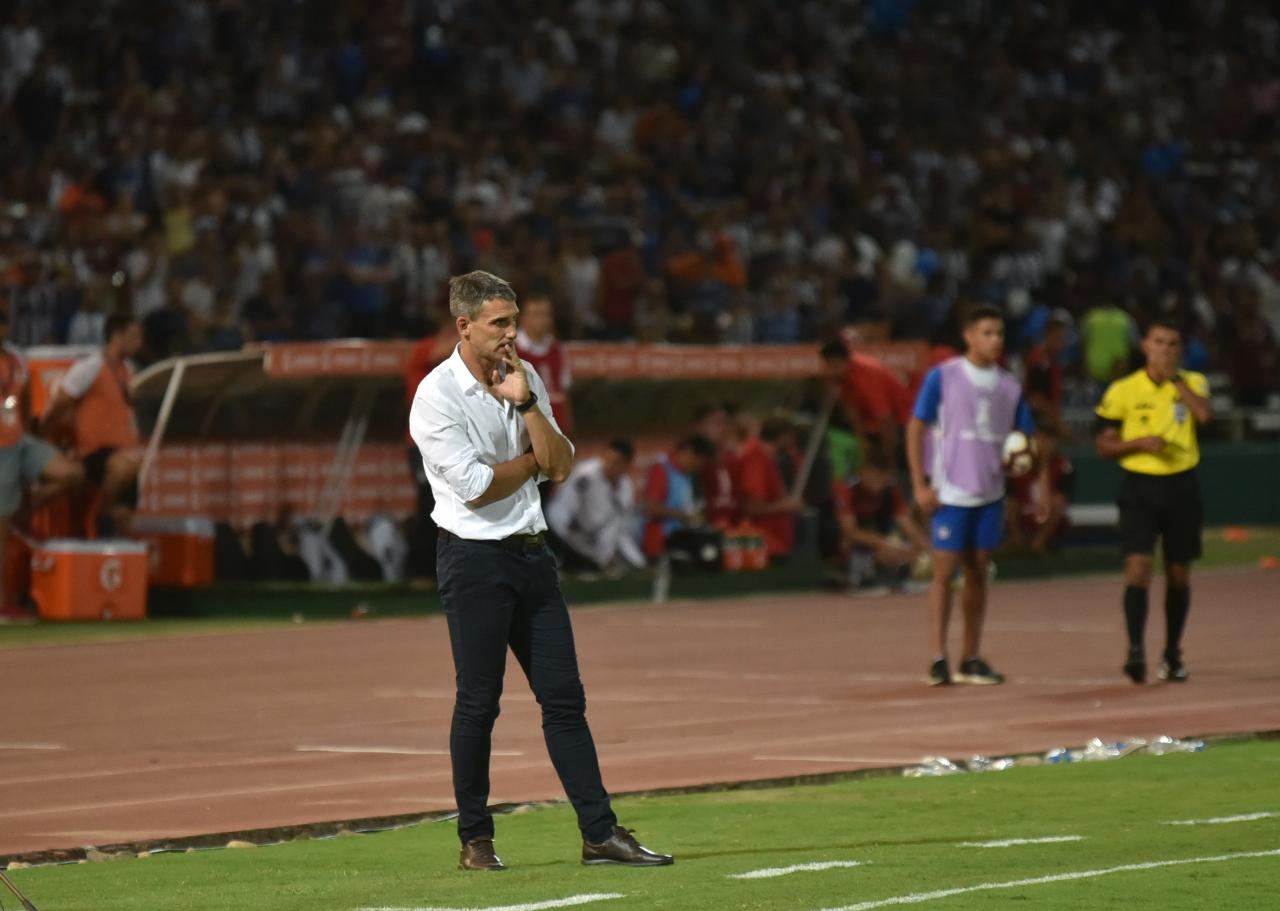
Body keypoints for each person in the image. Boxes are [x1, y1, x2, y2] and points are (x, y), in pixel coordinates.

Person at [408, 270, 672, 871]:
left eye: (514, 321)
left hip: (533, 554)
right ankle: (475, 841)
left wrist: (526, 403)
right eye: (500, 323)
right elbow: (477, 488)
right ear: (464, 326)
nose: (512, 334)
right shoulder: (436, 396)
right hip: (474, 560)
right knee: (479, 703)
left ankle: (599, 835)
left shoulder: (526, 380)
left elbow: (561, 465)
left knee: (565, 700)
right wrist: (533, 456)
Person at [907, 305, 1047, 687]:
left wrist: (1034, 476)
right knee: (943, 571)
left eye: (999, 334)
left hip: (990, 491)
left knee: (977, 571)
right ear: (968, 335)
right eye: (987, 333)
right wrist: (920, 483)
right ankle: (938, 656)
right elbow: (916, 426)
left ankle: (970, 656)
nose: (995, 340)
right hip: (950, 490)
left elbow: (1029, 439)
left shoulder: (1009, 386)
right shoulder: (944, 376)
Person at [1094, 318, 1212, 684]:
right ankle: (1135, 651)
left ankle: (1172, 653)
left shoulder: (1192, 383)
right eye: (1160, 342)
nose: (1167, 350)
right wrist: (1139, 443)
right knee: (1138, 569)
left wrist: (1176, 380)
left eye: (1174, 344)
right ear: (1145, 345)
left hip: (1181, 486)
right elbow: (1103, 445)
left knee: (1178, 573)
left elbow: (1205, 416)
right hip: (1141, 487)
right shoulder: (1123, 390)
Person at [0, 298, 84, 618]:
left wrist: (32, 434)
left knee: (71, 473)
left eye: (3, 323)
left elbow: (22, 399)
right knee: (1, 535)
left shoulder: (15, 360)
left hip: (19, 439)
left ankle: (25, 507)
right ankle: (3, 603)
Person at [43, 314, 144, 537]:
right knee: (122, 467)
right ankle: (99, 516)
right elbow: (61, 401)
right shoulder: (90, 367)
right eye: (134, 336)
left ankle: (117, 552)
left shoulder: (129, 371)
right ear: (116, 335)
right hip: (96, 451)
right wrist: (43, 435)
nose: (139, 343)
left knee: (127, 507)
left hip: (123, 448)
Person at [832, 444, 929, 592]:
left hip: (878, 536)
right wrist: (885, 544)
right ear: (864, 472)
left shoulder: (889, 489)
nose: (880, 483)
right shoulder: (845, 487)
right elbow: (850, 532)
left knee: (913, 549)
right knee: (848, 542)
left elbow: (908, 525)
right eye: (876, 476)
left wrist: (925, 549)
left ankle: (900, 576)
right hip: (841, 541)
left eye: (884, 477)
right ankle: (856, 578)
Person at [546, 438, 645, 575]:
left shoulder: (626, 489)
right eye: (608, 459)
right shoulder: (585, 475)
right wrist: (558, 547)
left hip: (592, 548)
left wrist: (638, 563)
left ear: (626, 465)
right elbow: (562, 511)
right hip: (564, 537)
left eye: (616, 463)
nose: (609, 465)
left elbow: (618, 530)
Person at [819, 340, 912, 467]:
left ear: (839, 361)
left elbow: (885, 418)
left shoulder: (865, 375)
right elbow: (852, 412)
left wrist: (889, 456)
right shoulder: (843, 377)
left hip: (903, 421)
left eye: (831, 365)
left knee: (899, 466)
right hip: (876, 425)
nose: (829, 370)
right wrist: (864, 444)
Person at [733, 414, 806, 561]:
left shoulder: (767, 459)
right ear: (784, 437)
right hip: (762, 545)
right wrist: (786, 505)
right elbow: (750, 507)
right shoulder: (756, 459)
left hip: (774, 542)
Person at [640, 433, 716, 562]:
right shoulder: (661, 470)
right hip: (660, 545)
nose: (698, 467)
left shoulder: (690, 476)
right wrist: (684, 515)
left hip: (683, 543)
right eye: (698, 462)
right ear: (688, 452)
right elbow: (651, 509)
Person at [514, 291, 574, 434]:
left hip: (556, 424)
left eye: (547, 314)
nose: (544, 320)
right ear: (523, 318)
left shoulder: (557, 349)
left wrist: (568, 423)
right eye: (537, 315)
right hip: (525, 427)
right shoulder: (511, 348)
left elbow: (563, 390)